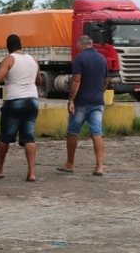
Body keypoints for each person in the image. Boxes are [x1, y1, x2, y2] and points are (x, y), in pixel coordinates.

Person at [0, 34, 42, 182]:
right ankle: (31, 173)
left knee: (5, 137)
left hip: (15, 101)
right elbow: (39, 81)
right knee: (29, 137)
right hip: (32, 101)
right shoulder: (33, 60)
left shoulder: (9, 59)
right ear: (20, 45)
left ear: (8, 47)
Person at [58, 35, 109, 176]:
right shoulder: (102, 59)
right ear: (92, 44)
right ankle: (99, 166)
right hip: (98, 101)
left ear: (80, 45)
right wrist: (100, 93)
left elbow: (76, 80)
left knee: (73, 131)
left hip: (82, 102)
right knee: (97, 132)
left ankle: (70, 163)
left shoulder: (79, 58)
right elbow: (106, 80)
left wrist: (71, 100)